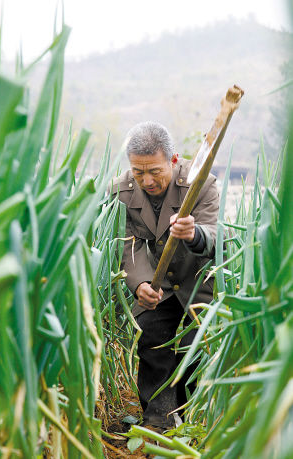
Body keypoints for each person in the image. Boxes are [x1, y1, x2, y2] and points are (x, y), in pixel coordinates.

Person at [112, 121, 219, 430]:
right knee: (151, 338)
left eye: (155, 171)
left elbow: (216, 234)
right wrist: (140, 284)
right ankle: (158, 421)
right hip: (157, 286)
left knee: (194, 351)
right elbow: (126, 243)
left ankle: (194, 423)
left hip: (197, 286)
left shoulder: (201, 184)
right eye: (138, 172)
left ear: (172, 160)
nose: (146, 180)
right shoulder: (122, 191)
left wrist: (194, 233)